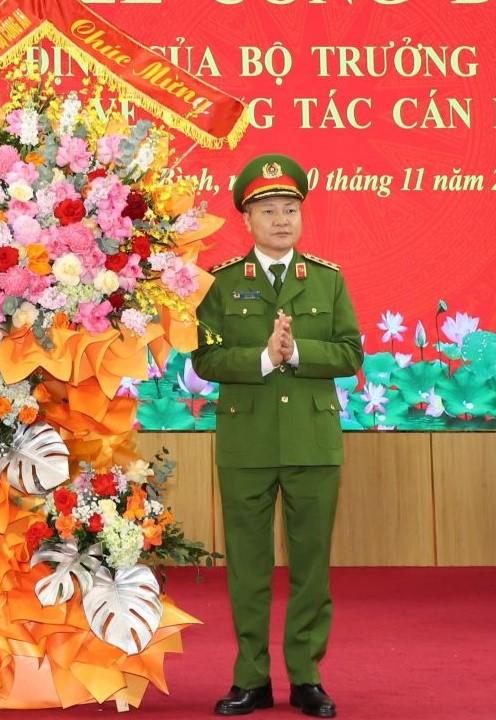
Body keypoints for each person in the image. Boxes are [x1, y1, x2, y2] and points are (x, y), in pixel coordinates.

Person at [191, 154, 362, 718]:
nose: (282, 219)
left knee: (312, 565)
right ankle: (251, 679)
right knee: (248, 567)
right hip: (247, 443)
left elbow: (351, 352)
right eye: (268, 210)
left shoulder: (328, 279)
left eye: (290, 208)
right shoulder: (220, 284)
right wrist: (264, 358)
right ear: (247, 219)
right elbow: (206, 359)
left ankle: (307, 678)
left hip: (313, 441)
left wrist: (299, 351)